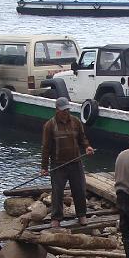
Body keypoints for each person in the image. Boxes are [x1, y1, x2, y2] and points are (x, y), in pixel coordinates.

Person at [41, 97, 95, 228]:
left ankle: (81, 214)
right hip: (58, 165)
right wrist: (44, 167)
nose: (66, 112)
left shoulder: (76, 122)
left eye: (67, 109)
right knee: (57, 192)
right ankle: (56, 217)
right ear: (57, 110)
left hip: (76, 163)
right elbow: (46, 147)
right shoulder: (49, 125)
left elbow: (82, 138)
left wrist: (87, 147)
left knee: (80, 190)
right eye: (63, 110)